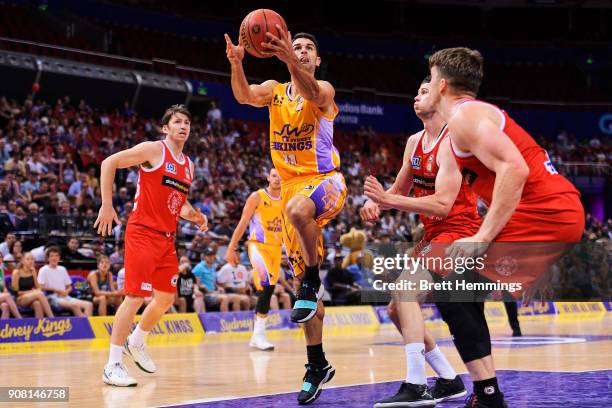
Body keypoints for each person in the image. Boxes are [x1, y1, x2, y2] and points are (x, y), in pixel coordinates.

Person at [424, 47, 584, 408]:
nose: (428, 84)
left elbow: (516, 170)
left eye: (431, 77)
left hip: (544, 213)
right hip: (550, 213)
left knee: (453, 289)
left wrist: (482, 237)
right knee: (456, 290)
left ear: (443, 84)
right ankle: (485, 394)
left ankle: (488, 394)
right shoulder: (462, 124)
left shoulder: (466, 116)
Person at [226, 28, 346, 404]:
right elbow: (244, 96)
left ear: (318, 59)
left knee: (296, 212)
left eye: (309, 48)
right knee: (306, 304)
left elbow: (311, 92)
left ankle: (312, 276)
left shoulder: (323, 89)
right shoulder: (275, 90)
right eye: (298, 47)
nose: (303, 51)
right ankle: (316, 365)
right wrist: (236, 64)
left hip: (326, 182)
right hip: (294, 194)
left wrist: (289, 59)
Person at [363, 76, 471, 406]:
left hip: (460, 232)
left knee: (405, 291)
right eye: (416, 91)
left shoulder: (453, 142)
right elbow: (397, 188)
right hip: (433, 234)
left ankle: (415, 384)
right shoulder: (413, 142)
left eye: (424, 91)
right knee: (397, 308)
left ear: (439, 98)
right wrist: (375, 202)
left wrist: (392, 201)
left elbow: (442, 204)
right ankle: (450, 380)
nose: (416, 96)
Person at [94, 104, 208, 387]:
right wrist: (107, 205)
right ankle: (113, 364)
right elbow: (108, 162)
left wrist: (194, 216)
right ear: (166, 128)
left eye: (187, 123)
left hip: (167, 239)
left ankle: (138, 340)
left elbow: (177, 202)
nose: (183, 126)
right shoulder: (154, 150)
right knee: (134, 297)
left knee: (166, 299)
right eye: (177, 122)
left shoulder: (189, 165)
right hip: (142, 233)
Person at [226, 168, 283, 351]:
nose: (277, 179)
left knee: (269, 290)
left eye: (281, 177)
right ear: (268, 177)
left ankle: (257, 334)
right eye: (274, 176)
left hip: (276, 249)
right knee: (266, 286)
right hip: (258, 245)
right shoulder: (257, 197)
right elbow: (243, 222)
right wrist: (232, 247)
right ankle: (258, 335)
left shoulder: (287, 199)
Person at [37, 247, 94, 317]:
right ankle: (85, 326)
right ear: (48, 258)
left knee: (89, 305)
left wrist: (66, 292)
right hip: (51, 297)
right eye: (52, 256)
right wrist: (56, 290)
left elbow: (69, 287)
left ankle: (85, 326)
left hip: (65, 296)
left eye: (56, 256)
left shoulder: (62, 269)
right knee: (74, 305)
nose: (54, 258)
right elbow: (41, 287)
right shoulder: (43, 270)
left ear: (59, 257)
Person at [193, 248, 241, 312]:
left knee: (236, 298)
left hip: (214, 293)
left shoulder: (212, 267)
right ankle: (224, 321)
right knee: (224, 298)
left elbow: (214, 282)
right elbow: (196, 284)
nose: (211, 257)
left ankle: (237, 320)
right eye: (209, 256)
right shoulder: (199, 267)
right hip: (206, 295)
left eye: (212, 255)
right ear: (204, 257)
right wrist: (207, 290)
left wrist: (218, 287)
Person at [11, 252, 54, 318]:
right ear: (22, 261)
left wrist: (35, 292)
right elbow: (15, 292)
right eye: (28, 259)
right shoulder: (17, 272)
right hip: (19, 299)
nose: (30, 261)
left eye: (32, 259)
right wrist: (31, 292)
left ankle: (39, 326)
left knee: (37, 304)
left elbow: (38, 287)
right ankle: (52, 318)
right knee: (39, 294)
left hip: (32, 297)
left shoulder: (33, 270)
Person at [0, 252, 22, 318]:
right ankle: (20, 319)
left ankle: (2, 327)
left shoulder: (1, 270)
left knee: (5, 306)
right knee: (7, 296)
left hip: (1, 296)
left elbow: (4, 287)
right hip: (2, 296)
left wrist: (5, 289)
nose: (0, 259)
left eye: (1, 257)